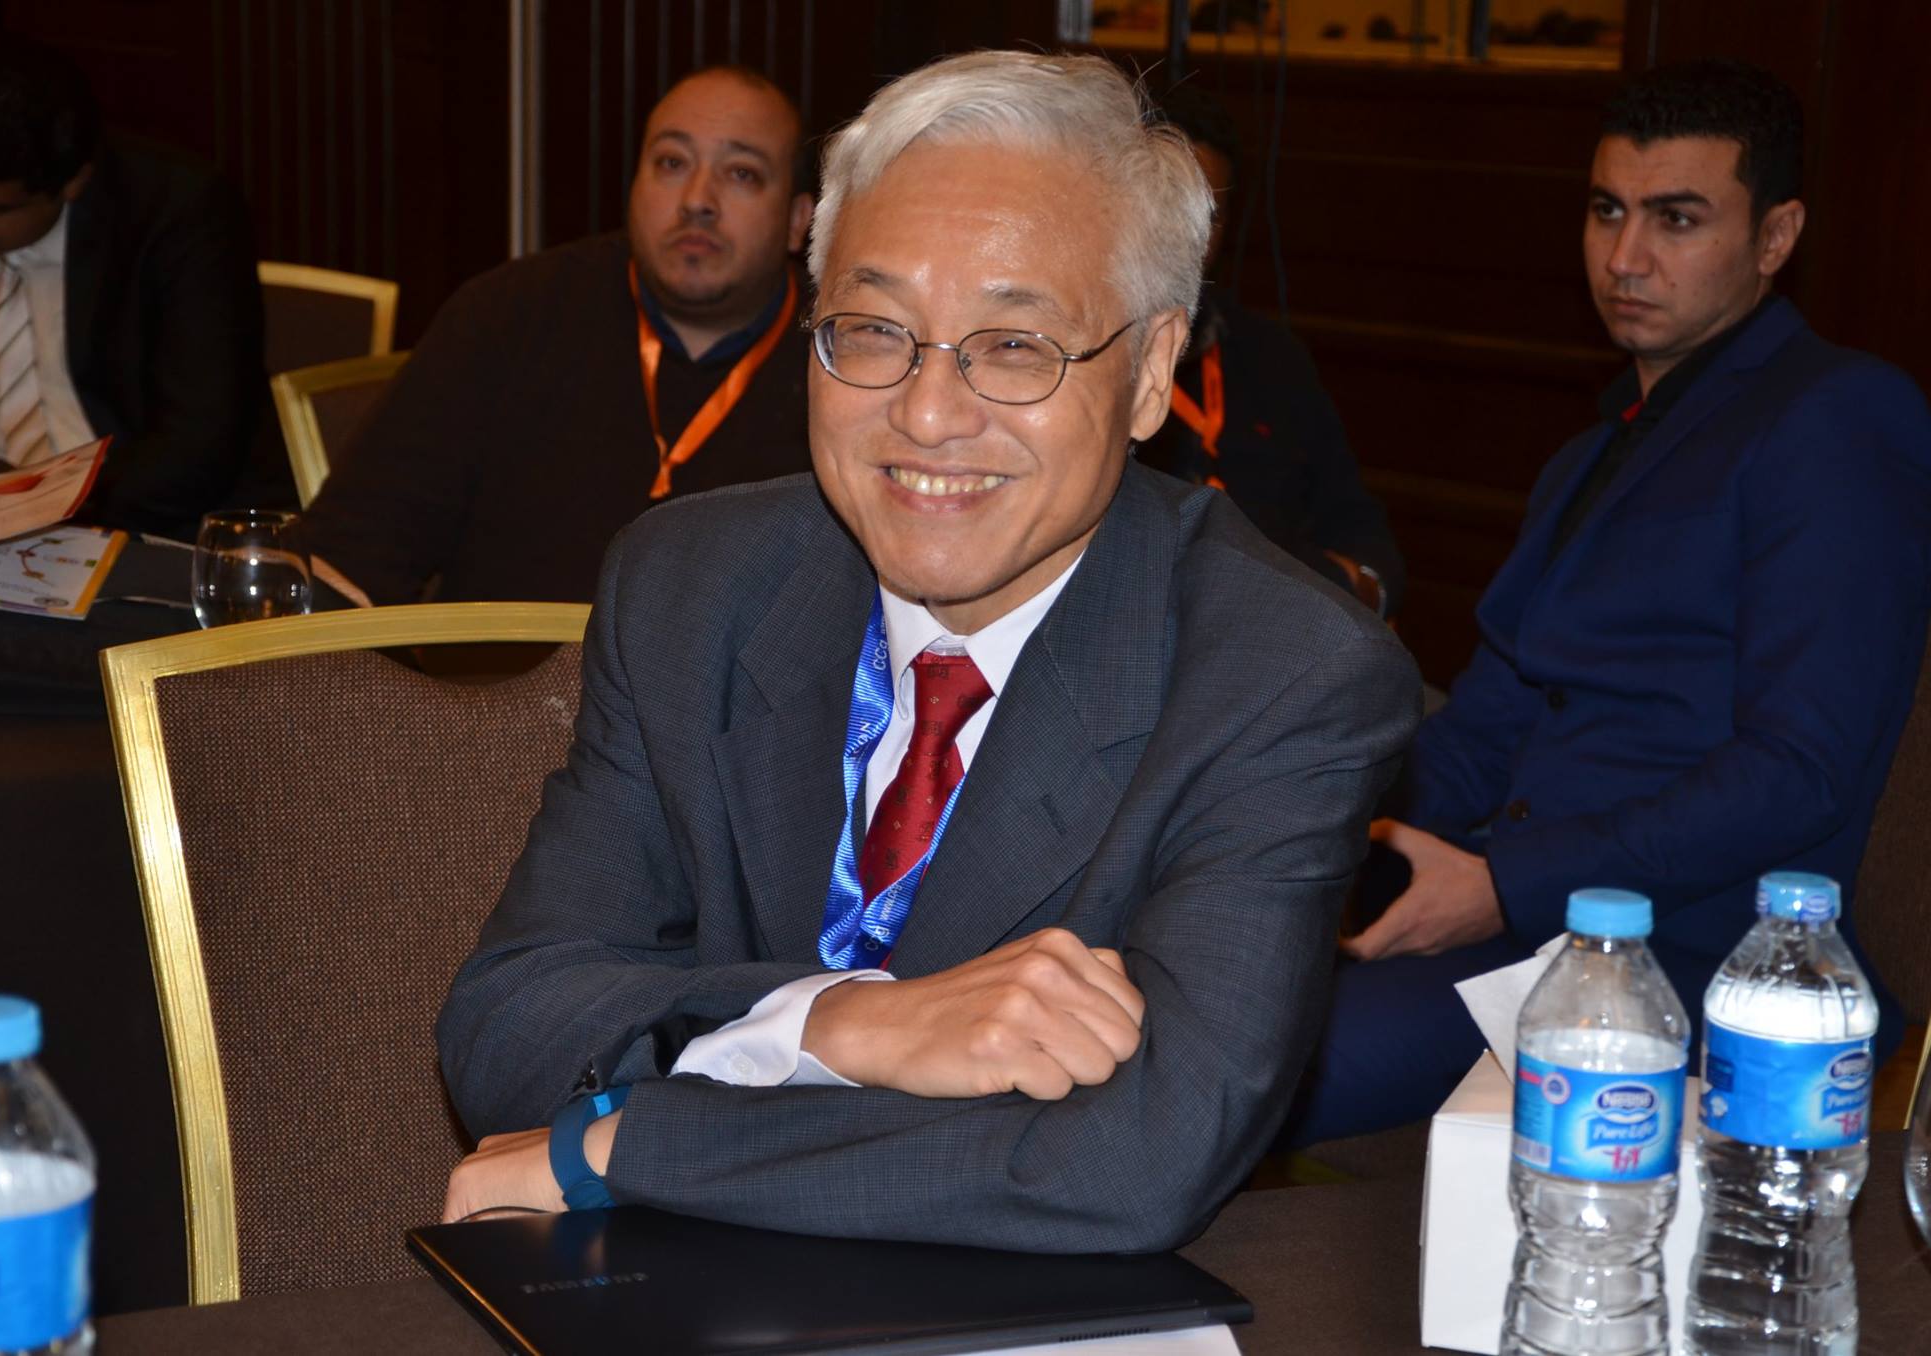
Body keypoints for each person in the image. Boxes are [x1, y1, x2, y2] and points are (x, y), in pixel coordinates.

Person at [435, 50, 1419, 1251]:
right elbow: (506, 1030)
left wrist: (616, 1147)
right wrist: (840, 1024)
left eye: (1013, 346)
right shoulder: (691, 584)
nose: (926, 413)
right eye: (873, 330)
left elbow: (1133, 1162)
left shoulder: (1281, 673)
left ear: (1150, 373)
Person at [1284, 59, 1931, 1144]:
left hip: (1692, 956)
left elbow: (1797, 770)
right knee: (1188, 995)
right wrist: (1315, 828)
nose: (1625, 258)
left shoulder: (1835, 416)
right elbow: (1494, 715)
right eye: (1605, 211)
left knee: (1248, 1070)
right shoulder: (1596, 449)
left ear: (1774, 237)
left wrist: (1506, 885)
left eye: (1676, 219)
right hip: (1535, 919)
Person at [301, 65, 816, 607]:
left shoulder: (842, 357)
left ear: (797, 220)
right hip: (495, 662)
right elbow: (347, 554)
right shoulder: (507, 313)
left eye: (741, 173)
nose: (696, 199)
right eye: (671, 162)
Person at [0, 36, 268, 538]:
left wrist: (36, 507)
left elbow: (196, 449)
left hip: (139, 521)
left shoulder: (178, 213)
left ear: (74, 181)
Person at [1136, 83, 1404, 617]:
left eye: (1209, 216)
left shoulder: (1270, 356)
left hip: (1287, 623)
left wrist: (1360, 588)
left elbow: (1361, 531)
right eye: (1168, 207)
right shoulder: (1089, 362)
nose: (1188, 236)